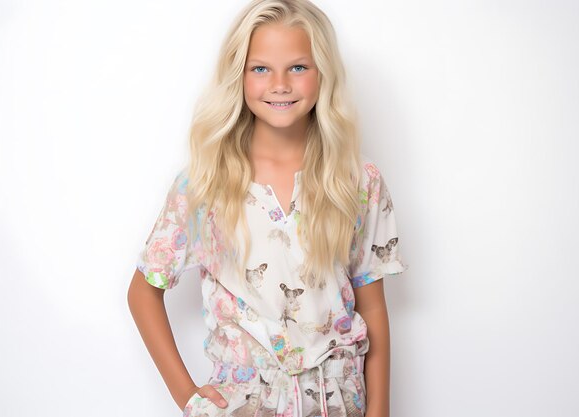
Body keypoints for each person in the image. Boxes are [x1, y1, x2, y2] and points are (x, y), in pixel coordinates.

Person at [127, 1, 408, 416]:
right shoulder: (205, 185)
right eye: (260, 68)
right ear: (238, 76)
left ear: (323, 73)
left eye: (297, 67)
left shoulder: (357, 179)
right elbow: (142, 292)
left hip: (339, 402)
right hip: (245, 403)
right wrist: (188, 396)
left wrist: (379, 411)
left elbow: (373, 307)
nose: (280, 84)